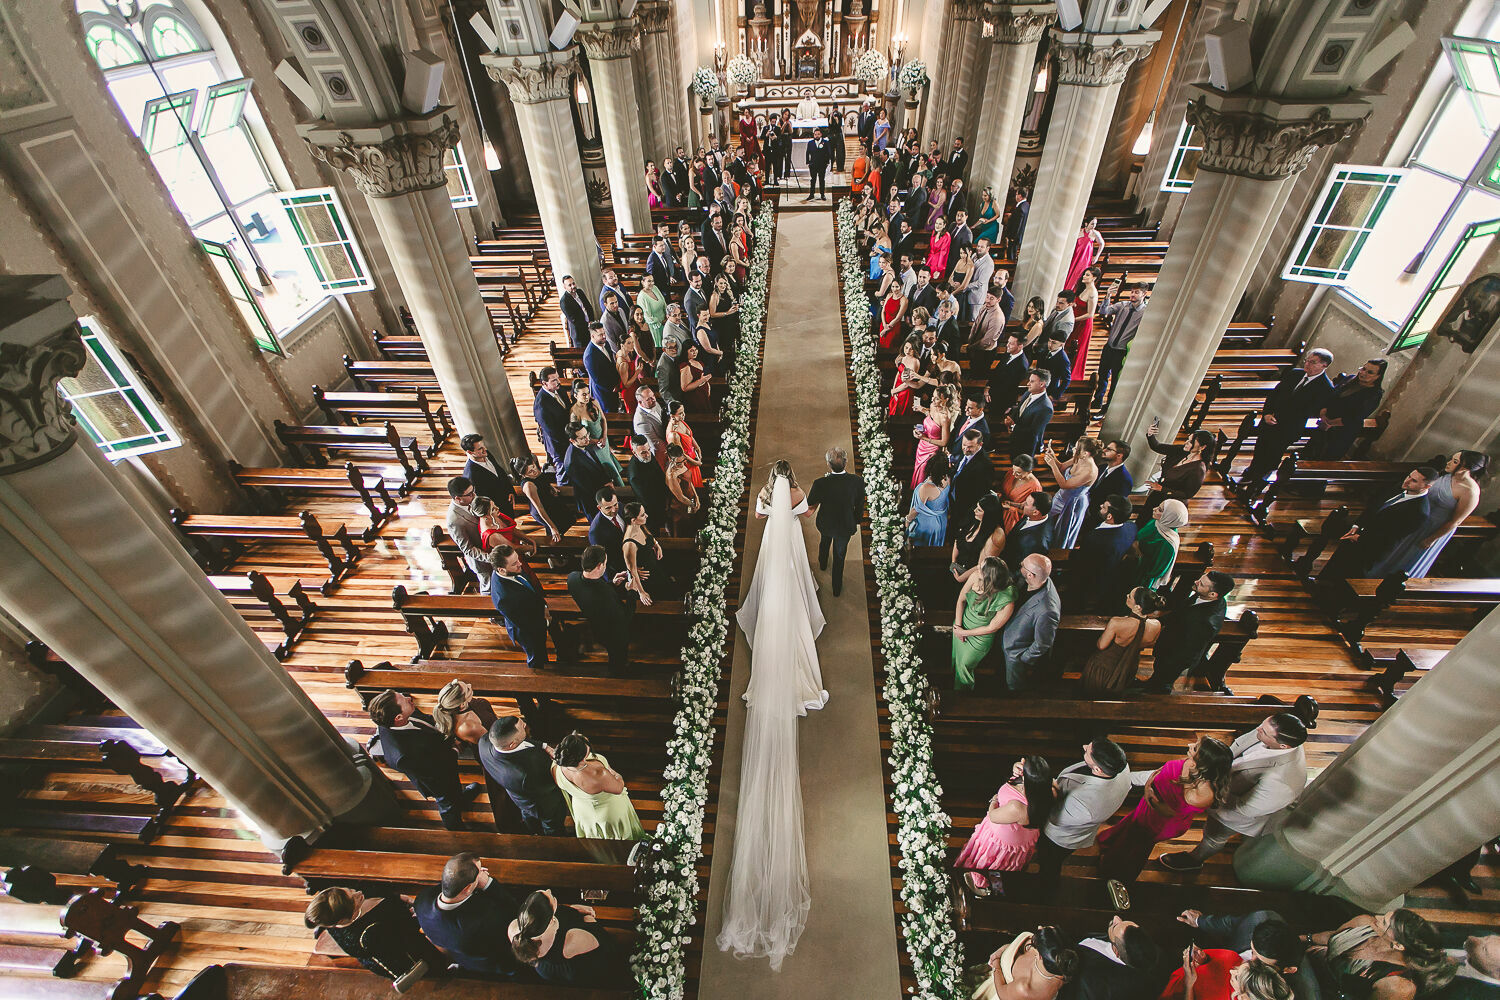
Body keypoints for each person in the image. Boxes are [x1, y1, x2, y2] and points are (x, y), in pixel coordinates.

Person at [1159, 714, 1308, 871]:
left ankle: (1195, 860)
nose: (1258, 729)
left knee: (1214, 836)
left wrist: (1209, 798)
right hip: (1224, 782)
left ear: (1283, 746)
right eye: (1262, 725)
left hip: (1232, 814)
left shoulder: (1284, 781)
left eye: (1263, 731)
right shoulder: (1271, 730)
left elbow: (1245, 809)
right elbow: (1241, 744)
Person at [1095, 736, 1233, 882]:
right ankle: (1112, 846)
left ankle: (1116, 873)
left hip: (1159, 820)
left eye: (1195, 748)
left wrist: (1148, 794)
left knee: (1135, 847)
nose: (1189, 744)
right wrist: (1150, 782)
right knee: (1130, 831)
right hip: (1150, 805)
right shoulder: (1195, 765)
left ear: (1204, 762)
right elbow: (1164, 770)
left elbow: (1169, 812)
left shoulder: (1201, 794)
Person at [368, 690, 481, 832]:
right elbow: (437, 767)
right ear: (398, 717)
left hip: (439, 759)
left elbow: (425, 720)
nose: (409, 698)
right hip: (436, 780)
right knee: (447, 802)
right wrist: (456, 749)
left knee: (455, 789)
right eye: (404, 700)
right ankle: (455, 828)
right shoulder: (402, 756)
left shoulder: (402, 714)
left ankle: (461, 799)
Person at [1370, 451, 1487, 579]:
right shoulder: (1446, 475)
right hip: (1417, 518)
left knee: (1407, 557)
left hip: (1433, 528)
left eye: (1454, 462)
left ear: (1466, 467)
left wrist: (1431, 539)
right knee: (1391, 551)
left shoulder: (1470, 491)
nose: (1448, 463)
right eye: (1452, 459)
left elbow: (1456, 521)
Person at [1037, 738, 1132, 889]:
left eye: (1088, 750)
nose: (1084, 746)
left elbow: (1055, 817)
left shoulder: (1086, 804)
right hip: (1077, 818)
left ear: (1097, 770)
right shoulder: (1121, 765)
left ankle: (1046, 889)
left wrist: (1048, 788)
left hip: (1059, 838)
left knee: (1049, 863)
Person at [1318, 467, 1438, 585]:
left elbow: (1391, 537)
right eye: (1409, 476)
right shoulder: (1399, 487)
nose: (1407, 481)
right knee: (1336, 563)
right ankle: (1319, 585)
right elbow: (1373, 507)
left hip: (1370, 547)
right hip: (1357, 533)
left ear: (1426, 486)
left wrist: (1360, 538)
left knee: (1347, 577)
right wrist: (1356, 525)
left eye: (1414, 481)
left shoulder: (1419, 512)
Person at [304, 887, 443, 988]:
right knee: (436, 960)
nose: (358, 892)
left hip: (389, 938)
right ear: (348, 917)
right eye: (354, 898)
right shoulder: (371, 931)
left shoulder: (332, 918)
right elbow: (407, 931)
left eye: (349, 889)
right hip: (405, 954)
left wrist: (398, 897)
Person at [1239, 349, 1338, 487]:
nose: (1307, 364)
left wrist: (1280, 420)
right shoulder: (1295, 373)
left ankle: (1258, 483)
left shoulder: (1326, 388)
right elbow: (1274, 395)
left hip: (1288, 428)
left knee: (1273, 455)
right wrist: (1267, 414)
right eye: (1307, 360)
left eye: (1313, 362)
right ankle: (1252, 470)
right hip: (1270, 420)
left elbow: (1308, 411)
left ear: (1324, 365)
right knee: (1260, 446)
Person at [956, 754, 1054, 894]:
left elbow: (993, 816)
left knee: (994, 867)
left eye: (1024, 765)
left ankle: (985, 890)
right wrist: (1017, 769)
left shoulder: (1017, 807)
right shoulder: (1046, 791)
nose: (1021, 762)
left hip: (1000, 843)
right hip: (1020, 835)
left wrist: (994, 801)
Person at [413, 852, 521, 976]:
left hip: (462, 956)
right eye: (480, 871)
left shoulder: (422, 900)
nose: (482, 873)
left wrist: (471, 878)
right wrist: (488, 883)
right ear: (467, 888)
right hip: (493, 962)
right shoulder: (484, 920)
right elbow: (514, 914)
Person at [1310, 910, 1458, 1000]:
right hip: (1310, 963)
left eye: (1384, 922)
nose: (1376, 916)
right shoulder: (1364, 922)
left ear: (1398, 945)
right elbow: (1332, 937)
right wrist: (1304, 938)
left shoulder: (1399, 987)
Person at [1176, 910, 1313, 1000]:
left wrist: (1188, 986)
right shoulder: (1260, 919)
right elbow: (1233, 925)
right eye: (1252, 951)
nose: (1248, 961)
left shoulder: (1297, 994)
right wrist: (1200, 921)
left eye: (1260, 961)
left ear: (1288, 970)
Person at [511, 889, 629, 986]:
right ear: (552, 920)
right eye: (549, 896)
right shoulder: (572, 940)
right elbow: (603, 939)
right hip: (596, 964)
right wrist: (588, 918)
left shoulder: (517, 927)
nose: (549, 890)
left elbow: (559, 912)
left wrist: (573, 909)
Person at [1140, 571, 1233, 693]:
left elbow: (1187, 651)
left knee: (1163, 680)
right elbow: (1182, 611)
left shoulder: (1205, 622)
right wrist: (1160, 621)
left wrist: (1167, 661)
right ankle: (1153, 683)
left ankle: (1157, 693)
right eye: (1200, 579)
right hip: (1171, 642)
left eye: (1201, 583)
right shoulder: (1207, 596)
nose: (1196, 582)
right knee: (1158, 673)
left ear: (1213, 594)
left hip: (1174, 657)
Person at [478, 715, 568, 835]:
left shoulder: (485, 742)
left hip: (519, 796)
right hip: (543, 803)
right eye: (522, 727)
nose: (525, 725)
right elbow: (551, 785)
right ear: (512, 744)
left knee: (527, 814)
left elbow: (522, 742)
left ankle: (534, 830)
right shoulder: (525, 774)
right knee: (551, 824)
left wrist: (543, 746)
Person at [550, 731, 647, 841]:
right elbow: (619, 788)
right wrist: (615, 774)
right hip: (607, 814)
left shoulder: (556, 768)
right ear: (581, 759)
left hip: (583, 813)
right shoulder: (599, 773)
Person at [807, 446, 866, 598]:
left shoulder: (820, 483)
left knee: (824, 541)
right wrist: (856, 520)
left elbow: (811, 501)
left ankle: (822, 562)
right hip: (845, 525)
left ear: (828, 464)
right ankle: (836, 588)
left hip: (826, 523)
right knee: (840, 555)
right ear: (846, 463)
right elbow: (860, 505)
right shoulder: (857, 482)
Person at [952, 557, 1018, 690]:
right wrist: (958, 626)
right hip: (962, 623)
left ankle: (962, 698)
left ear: (990, 576)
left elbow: (992, 627)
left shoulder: (1007, 598)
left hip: (980, 635)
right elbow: (961, 600)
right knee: (956, 659)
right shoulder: (975, 576)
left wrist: (964, 633)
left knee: (965, 665)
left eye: (981, 567)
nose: (977, 568)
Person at [1080, 587, 1163, 694]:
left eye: (1130, 596)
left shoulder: (1117, 622)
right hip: (1129, 668)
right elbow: (1149, 642)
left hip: (1105, 669)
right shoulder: (1156, 625)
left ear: (1137, 606)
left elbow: (1101, 645)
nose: (1126, 596)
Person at [967, 925, 1079, 1000]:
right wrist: (1002, 950)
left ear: (1039, 956)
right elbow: (1015, 948)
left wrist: (996, 963)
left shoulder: (1025, 989)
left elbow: (1001, 991)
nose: (1039, 926)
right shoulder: (1060, 957)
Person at [1305, 359, 1387, 460]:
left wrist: (1330, 423)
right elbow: (1330, 396)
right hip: (1324, 423)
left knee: (1324, 459)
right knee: (1309, 453)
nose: (1363, 373)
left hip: (1342, 432)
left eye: (1370, 372)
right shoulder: (1350, 379)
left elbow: (1356, 417)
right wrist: (1323, 413)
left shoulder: (1374, 394)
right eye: (1363, 369)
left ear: (1378, 376)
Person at [567, 545, 631, 675]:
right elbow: (625, 616)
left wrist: (613, 584)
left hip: (595, 623)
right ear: (599, 566)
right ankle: (618, 672)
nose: (606, 566)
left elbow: (591, 588)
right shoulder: (604, 597)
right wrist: (632, 593)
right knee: (617, 656)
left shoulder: (572, 578)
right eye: (605, 563)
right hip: (613, 633)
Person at [1001, 553, 1061, 691]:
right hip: (1007, 636)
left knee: (1013, 688)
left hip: (1015, 654)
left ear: (1030, 575)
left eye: (1023, 565)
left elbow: (1042, 643)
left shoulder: (1047, 610)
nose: (1020, 564)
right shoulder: (1038, 578)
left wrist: (1022, 658)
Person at [1072, 495, 1138, 613]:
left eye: (1104, 507)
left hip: (1096, 577)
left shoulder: (1095, 539)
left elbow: (1083, 562)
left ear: (1109, 516)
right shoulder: (1131, 527)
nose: (1100, 506)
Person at [1093, 283, 1148, 414]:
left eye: (1137, 292)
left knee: (1115, 382)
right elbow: (1103, 311)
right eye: (1132, 292)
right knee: (1102, 375)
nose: (1133, 295)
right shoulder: (1123, 305)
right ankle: (1097, 400)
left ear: (1144, 294)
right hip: (1109, 347)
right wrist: (1108, 295)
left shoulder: (1145, 312)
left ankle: (1108, 407)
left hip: (1122, 351)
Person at [1141, 424, 1214, 521]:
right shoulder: (1182, 450)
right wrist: (1150, 434)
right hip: (1158, 495)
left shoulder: (1198, 469)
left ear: (1202, 447)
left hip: (1170, 503)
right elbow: (1158, 446)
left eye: (1191, 442)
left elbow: (1187, 494)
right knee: (1144, 517)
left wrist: (1162, 489)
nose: (1186, 442)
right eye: (1188, 439)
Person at [1042, 437, 1101, 549]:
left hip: (1073, 503)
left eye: (1076, 447)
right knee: (1048, 519)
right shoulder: (1078, 457)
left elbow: (1064, 484)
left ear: (1085, 453)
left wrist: (1052, 465)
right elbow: (1062, 467)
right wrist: (1053, 457)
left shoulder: (1090, 471)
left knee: (1062, 530)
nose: (1073, 449)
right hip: (1061, 497)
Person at [570, 382, 625, 486]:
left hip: (604, 440)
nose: (587, 397)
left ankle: (620, 486)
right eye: (583, 394)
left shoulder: (594, 402)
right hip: (592, 445)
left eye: (588, 393)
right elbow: (578, 435)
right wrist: (596, 441)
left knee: (610, 463)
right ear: (576, 395)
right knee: (605, 469)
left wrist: (604, 437)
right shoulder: (574, 413)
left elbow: (603, 420)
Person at [446, 476, 493, 594]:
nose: (475, 495)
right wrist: (491, 558)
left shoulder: (473, 499)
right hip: (483, 561)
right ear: (458, 498)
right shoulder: (454, 520)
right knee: (489, 588)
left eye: (473, 491)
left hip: (492, 546)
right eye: (470, 494)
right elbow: (468, 549)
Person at [558, 422, 614, 519]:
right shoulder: (572, 462)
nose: (588, 438)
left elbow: (597, 465)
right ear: (572, 440)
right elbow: (587, 487)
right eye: (582, 437)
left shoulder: (584, 444)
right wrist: (605, 487)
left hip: (600, 490)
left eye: (587, 434)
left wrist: (607, 480)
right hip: (592, 501)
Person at [509, 456, 570, 543]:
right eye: (530, 471)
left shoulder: (536, 472)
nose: (534, 471)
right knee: (555, 530)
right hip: (540, 509)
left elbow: (542, 480)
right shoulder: (529, 485)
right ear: (523, 475)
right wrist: (552, 528)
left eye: (533, 466)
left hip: (547, 500)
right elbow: (539, 507)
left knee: (565, 520)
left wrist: (551, 487)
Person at [622, 500, 669, 604]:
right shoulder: (630, 544)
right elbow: (632, 570)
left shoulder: (640, 526)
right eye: (643, 515)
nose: (646, 516)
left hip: (656, 568)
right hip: (648, 579)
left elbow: (649, 536)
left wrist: (656, 544)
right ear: (633, 520)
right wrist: (641, 592)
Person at [1161, 943, 1246, 1000]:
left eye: (1237, 977)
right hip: (1172, 977)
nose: (1232, 971)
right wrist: (1204, 959)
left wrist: (1188, 986)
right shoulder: (1233, 958)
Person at [1137, 498, 1187, 591]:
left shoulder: (1167, 543)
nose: (1154, 509)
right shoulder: (1158, 522)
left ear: (1169, 516)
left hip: (1142, 575)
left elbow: (1156, 571)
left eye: (1160, 510)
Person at [912, 387, 957, 488]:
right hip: (922, 447)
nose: (932, 400)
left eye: (936, 398)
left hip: (932, 451)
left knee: (924, 475)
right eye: (933, 397)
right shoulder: (932, 405)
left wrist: (924, 438)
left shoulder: (945, 417)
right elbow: (930, 415)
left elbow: (944, 442)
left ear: (946, 400)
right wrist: (921, 409)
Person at [1086, 441, 1135, 532]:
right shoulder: (1102, 467)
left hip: (1096, 518)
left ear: (1119, 455)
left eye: (1109, 449)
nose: (1104, 450)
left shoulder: (1124, 480)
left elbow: (1115, 507)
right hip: (1086, 509)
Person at [1008, 371, 1055, 462]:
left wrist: (1013, 426)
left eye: (1032, 381)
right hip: (1016, 439)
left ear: (1042, 384)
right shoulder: (1028, 393)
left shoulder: (1046, 408)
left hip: (1026, 446)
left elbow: (1033, 432)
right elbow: (1020, 408)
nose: (1028, 384)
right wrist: (1011, 418)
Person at [461, 434, 513, 514]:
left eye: (484, 446)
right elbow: (482, 499)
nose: (485, 449)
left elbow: (500, 472)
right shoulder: (471, 475)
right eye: (480, 448)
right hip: (497, 509)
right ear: (470, 452)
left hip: (506, 500)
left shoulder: (485, 453)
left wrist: (510, 491)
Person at [533, 366, 573, 470]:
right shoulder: (541, 405)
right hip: (558, 445)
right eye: (554, 380)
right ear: (544, 383)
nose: (558, 382)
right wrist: (570, 440)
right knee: (564, 471)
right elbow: (552, 432)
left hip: (569, 436)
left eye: (558, 378)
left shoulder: (559, 390)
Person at [627, 434, 668, 530]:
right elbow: (645, 499)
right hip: (650, 509)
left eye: (649, 450)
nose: (648, 454)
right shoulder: (634, 474)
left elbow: (659, 474)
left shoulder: (648, 455)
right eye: (643, 453)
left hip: (660, 498)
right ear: (634, 452)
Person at [587, 486, 627, 579]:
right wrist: (612, 581)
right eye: (608, 508)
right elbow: (601, 560)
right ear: (599, 508)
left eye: (615, 505)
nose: (614, 510)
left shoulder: (620, 506)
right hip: (619, 570)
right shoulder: (596, 532)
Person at [907, 466, 952, 548]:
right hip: (941, 523)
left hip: (926, 525)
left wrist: (907, 520)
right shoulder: (948, 479)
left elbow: (917, 509)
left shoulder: (927, 487)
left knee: (918, 551)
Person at [992, 332, 1033, 417]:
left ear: (1020, 346)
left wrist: (990, 392)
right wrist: (988, 387)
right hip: (994, 393)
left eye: (1011, 343)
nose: (1007, 345)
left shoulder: (1022, 365)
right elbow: (997, 371)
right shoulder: (1009, 353)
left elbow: (1010, 387)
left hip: (1003, 401)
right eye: (1008, 342)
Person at [1000, 453, 1043, 534]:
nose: (1013, 474)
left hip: (1015, 519)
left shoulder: (1035, 487)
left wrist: (1011, 508)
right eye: (1013, 470)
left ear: (1029, 471)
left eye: (1018, 473)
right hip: (1001, 508)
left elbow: (1031, 513)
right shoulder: (1011, 473)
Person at [1006, 492, 1054, 565]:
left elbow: (1022, 566)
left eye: (1026, 504)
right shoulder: (1040, 514)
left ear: (1035, 512)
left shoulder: (1037, 543)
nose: (1023, 504)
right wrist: (1011, 504)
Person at [666, 400, 705, 488]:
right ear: (672, 416)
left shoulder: (680, 421)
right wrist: (696, 463)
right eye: (680, 413)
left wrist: (698, 448)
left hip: (693, 457)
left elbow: (690, 436)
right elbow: (681, 455)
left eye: (683, 412)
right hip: (687, 465)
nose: (683, 415)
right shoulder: (674, 434)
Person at [1070, 268, 1100, 381]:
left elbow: (1090, 314)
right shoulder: (1084, 288)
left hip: (1082, 325)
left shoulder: (1093, 293)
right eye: (1084, 274)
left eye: (1087, 275)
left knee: (1077, 349)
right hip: (1076, 322)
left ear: (1094, 278)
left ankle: (1074, 375)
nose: (1084, 276)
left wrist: (1075, 319)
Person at [1036, 328, 1074, 402]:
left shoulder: (1063, 360)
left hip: (1050, 390)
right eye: (1049, 341)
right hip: (1039, 386)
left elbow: (1067, 380)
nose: (1050, 344)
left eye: (1054, 343)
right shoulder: (1045, 351)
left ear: (1061, 344)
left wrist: (1054, 396)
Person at [1066, 219, 1105, 291]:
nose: (1094, 226)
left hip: (1085, 257)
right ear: (1086, 223)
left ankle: (1075, 291)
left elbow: (1102, 244)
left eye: (1095, 224)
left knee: (1080, 273)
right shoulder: (1079, 231)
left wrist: (1096, 257)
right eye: (1092, 224)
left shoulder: (1095, 233)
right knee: (1071, 272)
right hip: (1076, 255)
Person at [559, 274, 595, 349]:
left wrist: (591, 321)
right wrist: (587, 325)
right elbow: (574, 320)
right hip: (579, 333)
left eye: (573, 283)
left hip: (590, 327)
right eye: (570, 285)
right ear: (565, 287)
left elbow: (589, 307)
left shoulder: (580, 292)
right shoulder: (564, 301)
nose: (573, 286)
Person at [1004, 188, 1030, 258]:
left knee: (1011, 254)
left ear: (1020, 196)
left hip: (1014, 237)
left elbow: (1018, 224)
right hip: (1018, 236)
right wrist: (1012, 215)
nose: (1015, 196)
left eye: (1016, 194)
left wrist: (1013, 237)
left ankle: (1009, 268)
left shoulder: (1021, 208)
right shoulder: (1026, 205)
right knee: (1013, 252)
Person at [806, 126, 830, 200]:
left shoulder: (825, 142)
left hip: (822, 164)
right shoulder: (810, 143)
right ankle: (811, 194)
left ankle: (822, 194)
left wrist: (827, 162)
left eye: (818, 134)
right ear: (813, 135)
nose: (817, 136)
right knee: (813, 180)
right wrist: (808, 162)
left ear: (821, 134)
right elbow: (807, 153)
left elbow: (828, 153)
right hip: (813, 164)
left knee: (821, 180)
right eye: (815, 134)